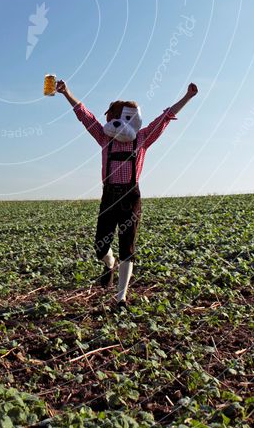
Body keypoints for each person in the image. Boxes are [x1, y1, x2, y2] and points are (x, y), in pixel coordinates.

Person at [55, 79, 198, 307]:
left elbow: (165, 119)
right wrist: (66, 92)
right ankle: (108, 264)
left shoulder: (141, 139)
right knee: (101, 247)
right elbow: (84, 115)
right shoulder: (104, 139)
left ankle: (121, 298)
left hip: (130, 198)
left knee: (127, 247)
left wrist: (187, 97)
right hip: (109, 196)